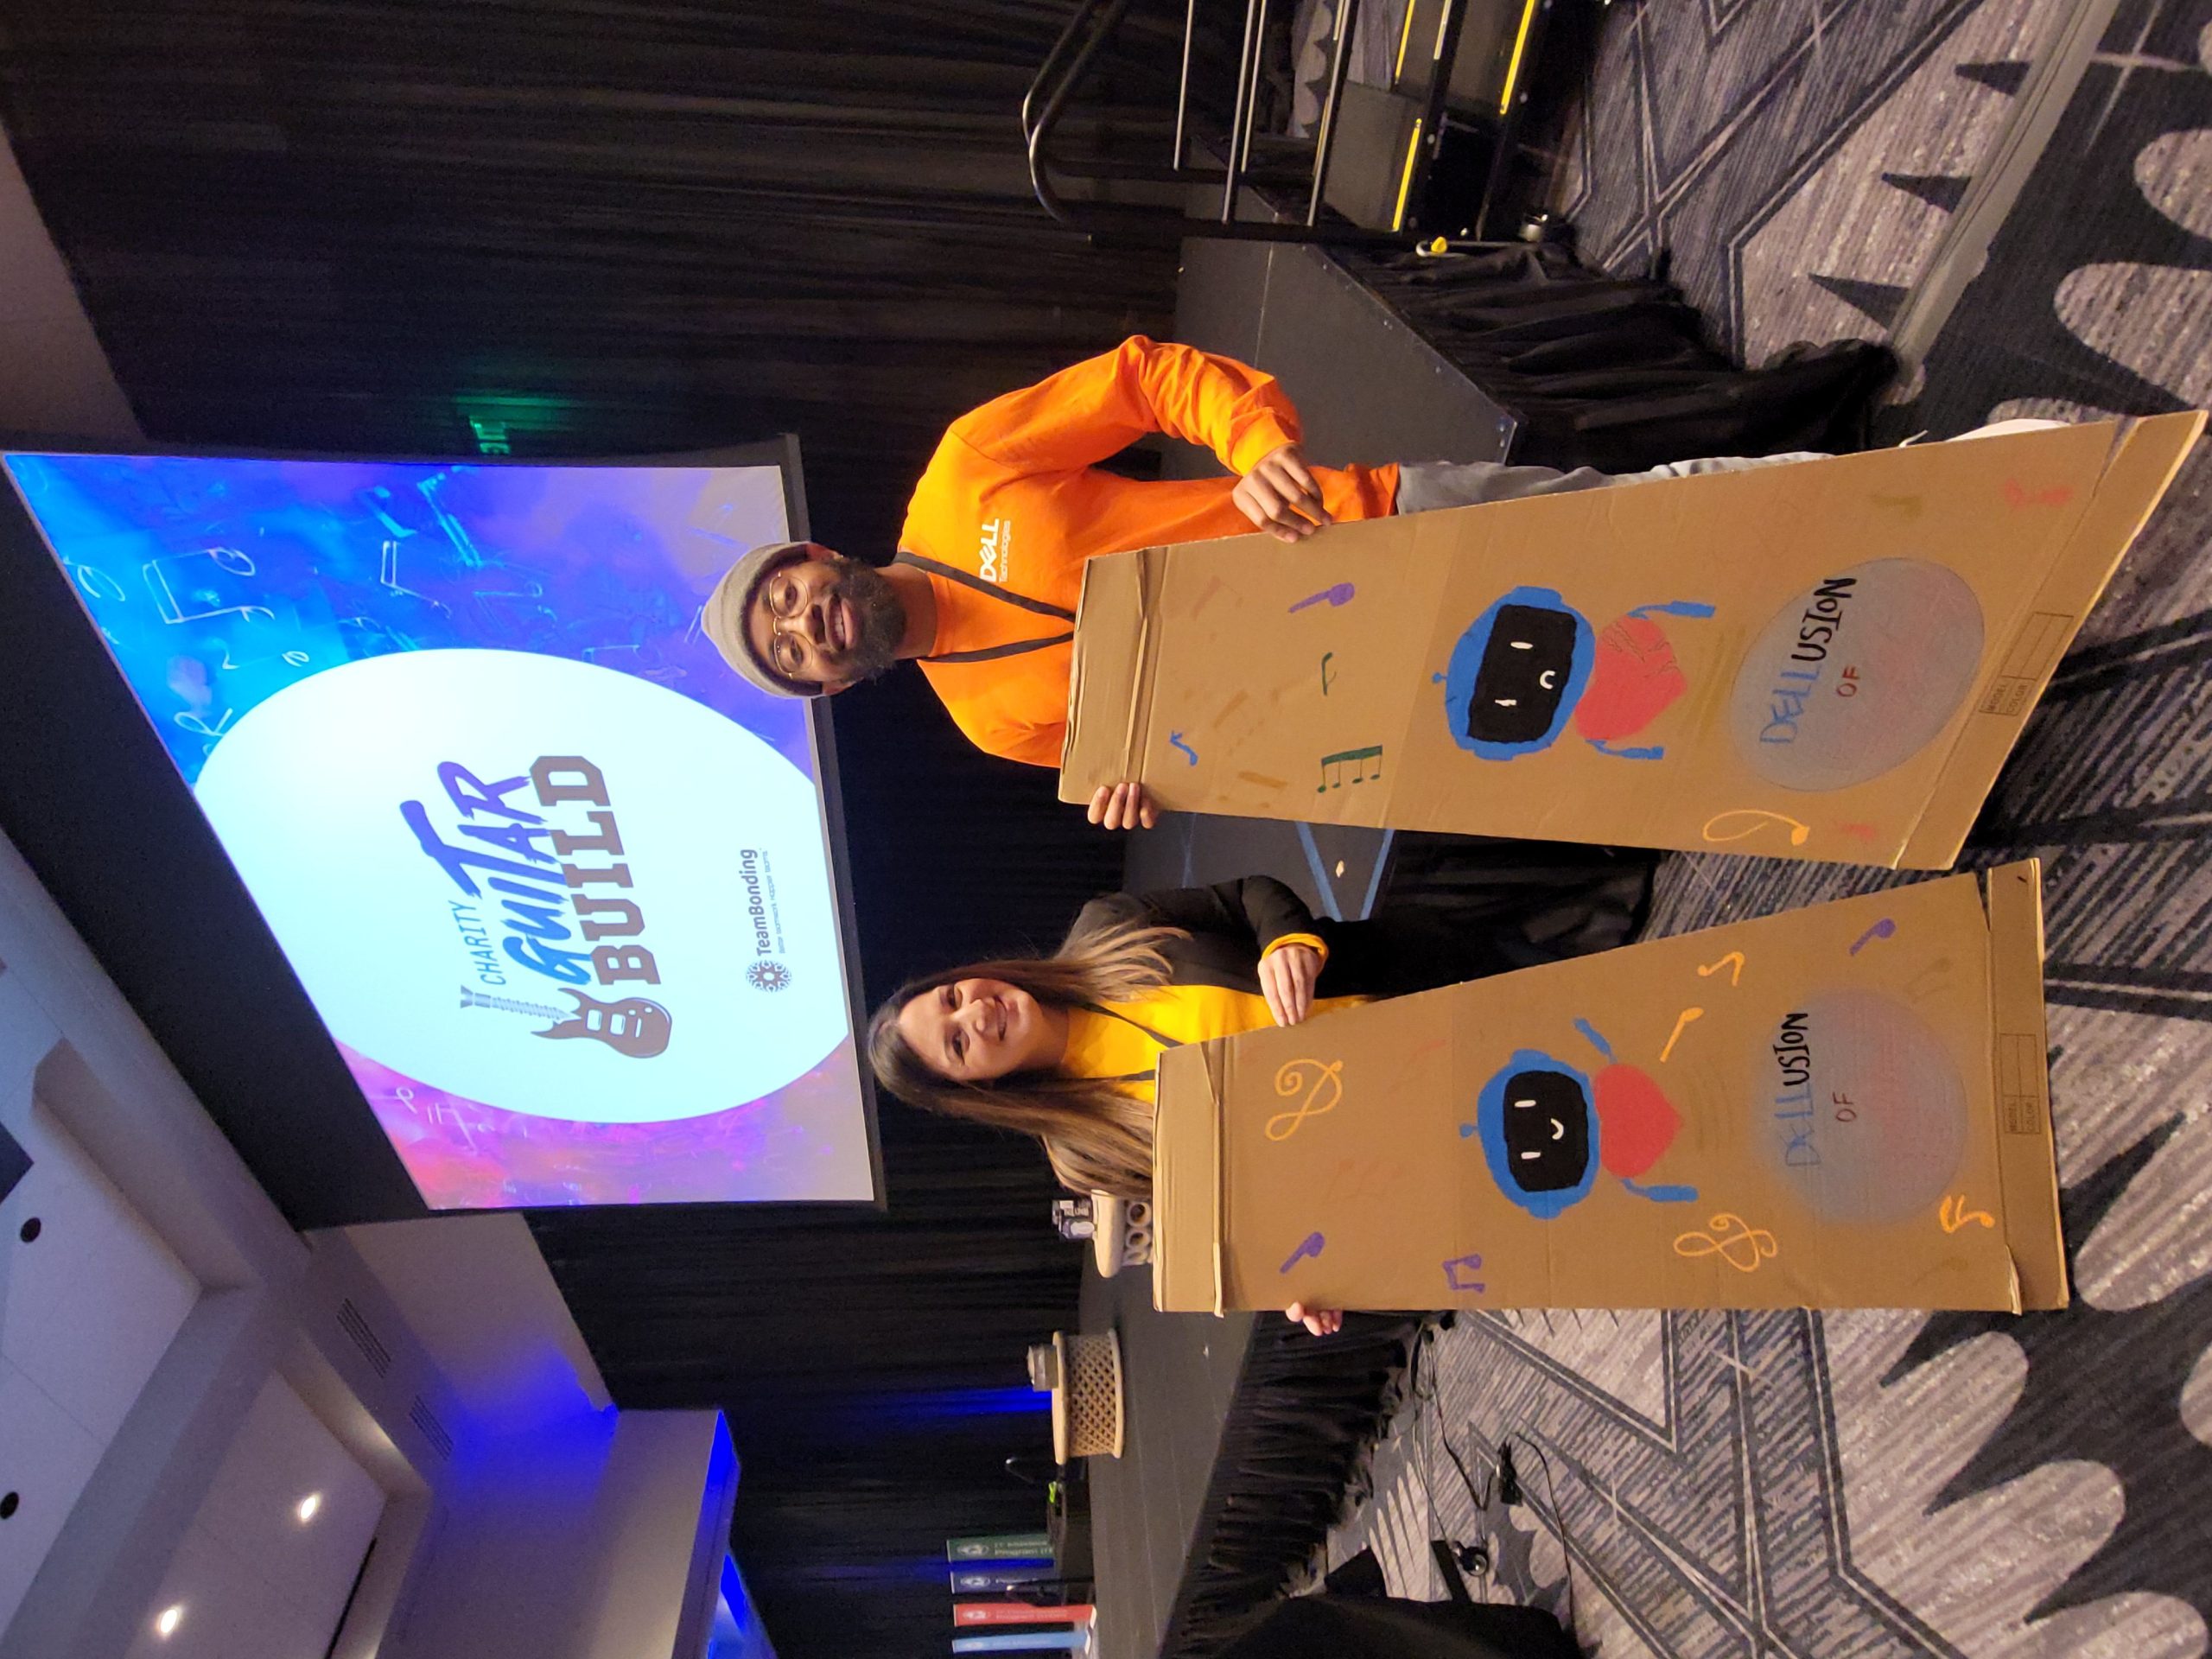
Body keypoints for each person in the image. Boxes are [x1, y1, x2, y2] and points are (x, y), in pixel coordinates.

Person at [702, 335, 1823, 830]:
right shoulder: (990, 724)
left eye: (787, 600)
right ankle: (1829, 655)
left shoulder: (965, 475)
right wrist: (1146, 793)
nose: (809, 625)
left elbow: (1142, 379)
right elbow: (1183, 759)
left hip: (1368, 530)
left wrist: (1253, 445)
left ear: (812, 558)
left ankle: (1899, 496)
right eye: (793, 652)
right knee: (1641, 689)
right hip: (1392, 693)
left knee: (1639, 523)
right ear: (830, 687)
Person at [868, 874, 1532, 1337]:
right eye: (957, 1044)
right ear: (975, 1091)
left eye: (953, 996)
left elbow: (1247, 897)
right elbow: (1240, 1207)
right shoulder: (1085, 1153)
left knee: (1613, 1000)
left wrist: (1287, 942)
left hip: (1428, 977)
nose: (978, 1012)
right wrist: (1306, 1276)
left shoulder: (1106, 930)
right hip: (1424, 1124)